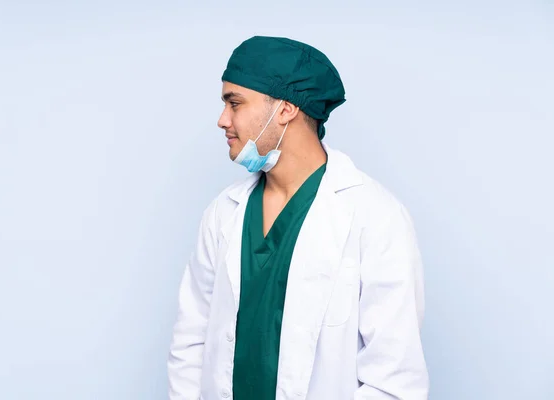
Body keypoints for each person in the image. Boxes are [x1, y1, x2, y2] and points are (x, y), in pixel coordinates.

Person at [167, 36, 429, 400]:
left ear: (286, 109)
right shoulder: (223, 213)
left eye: (234, 103)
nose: (222, 120)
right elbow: (190, 342)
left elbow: (394, 378)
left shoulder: (375, 217)